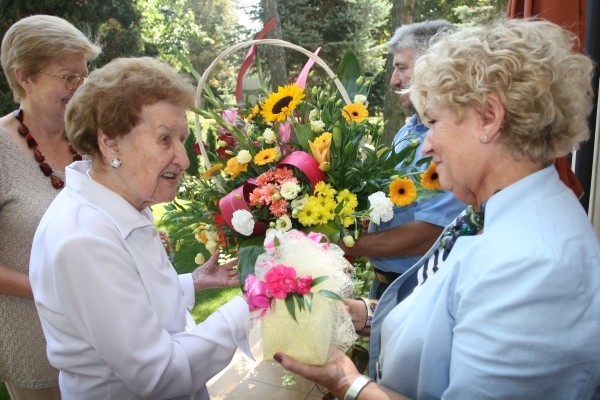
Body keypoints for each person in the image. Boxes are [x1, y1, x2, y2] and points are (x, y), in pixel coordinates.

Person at [274, 18, 600, 399]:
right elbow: (455, 316)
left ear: (489, 118)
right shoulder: (489, 213)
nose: (426, 145)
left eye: (434, 122)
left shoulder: (533, 264)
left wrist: (349, 384)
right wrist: (365, 314)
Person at [29, 57, 250, 400]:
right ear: (111, 143)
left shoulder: (122, 199)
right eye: (165, 139)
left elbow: (126, 302)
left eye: (182, 138)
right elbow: (160, 377)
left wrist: (190, 283)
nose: (185, 158)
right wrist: (252, 306)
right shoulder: (84, 241)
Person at [0, 15, 101, 399]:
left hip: (102, 336)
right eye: (67, 76)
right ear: (24, 77)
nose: (80, 87)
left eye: (84, 74)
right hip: (35, 344)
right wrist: (51, 292)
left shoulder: (86, 139)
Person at [340, 20, 465, 299]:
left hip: (420, 286)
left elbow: (429, 234)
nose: (394, 80)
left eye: (402, 68)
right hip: (386, 283)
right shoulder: (411, 127)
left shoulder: (450, 138)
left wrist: (345, 244)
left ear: (433, 66)